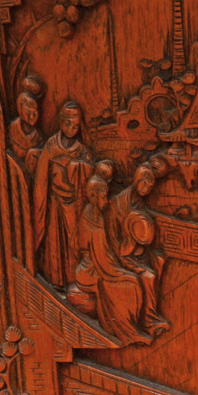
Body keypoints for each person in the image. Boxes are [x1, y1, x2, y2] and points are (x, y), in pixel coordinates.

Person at [67, 175, 152, 346]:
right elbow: (98, 254)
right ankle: (128, 332)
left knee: (131, 279)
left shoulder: (97, 216)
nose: (107, 201)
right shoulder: (90, 218)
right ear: (94, 197)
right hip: (90, 270)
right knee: (130, 283)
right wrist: (118, 270)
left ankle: (132, 328)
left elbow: (105, 251)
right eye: (104, 197)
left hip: (100, 264)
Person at [33, 100, 94, 286]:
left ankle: (73, 279)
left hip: (74, 204)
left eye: (75, 126)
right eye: (67, 124)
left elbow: (89, 172)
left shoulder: (81, 150)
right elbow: (41, 175)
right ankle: (55, 279)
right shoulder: (52, 145)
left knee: (73, 240)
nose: (71, 129)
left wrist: (75, 167)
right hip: (54, 201)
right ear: (60, 122)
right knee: (54, 240)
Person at [109, 164, 171, 336]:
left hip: (137, 250)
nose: (147, 189)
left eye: (150, 187)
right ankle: (148, 320)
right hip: (122, 252)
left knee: (159, 260)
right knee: (148, 276)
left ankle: (154, 309)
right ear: (138, 181)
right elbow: (122, 234)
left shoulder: (137, 199)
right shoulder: (122, 201)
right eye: (145, 185)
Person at [8, 90, 44, 175]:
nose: (31, 117)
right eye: (28, 112)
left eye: (34, 114)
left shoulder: (38, 136)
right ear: (20, 110)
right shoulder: (11, 130)